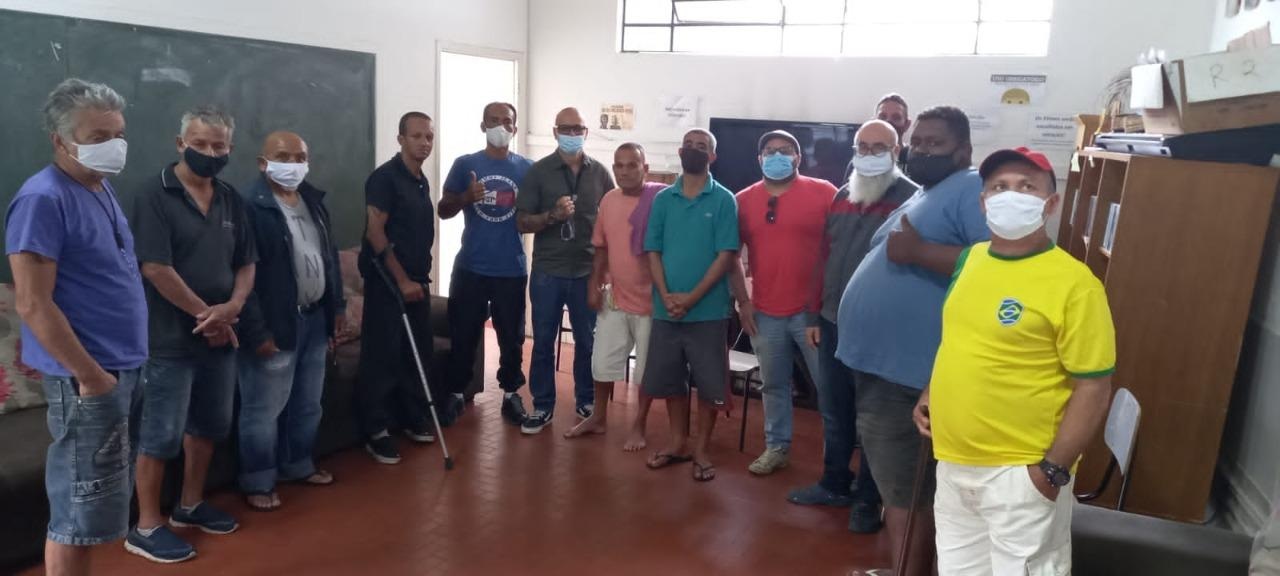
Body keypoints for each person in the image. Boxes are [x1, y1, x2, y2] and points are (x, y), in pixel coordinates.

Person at [917, 147, 1115, 575]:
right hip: (954, 465)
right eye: (999, 187)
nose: (1011, 195)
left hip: (1021, 473)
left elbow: (1095, 386)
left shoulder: (1075, 284)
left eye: (1027, 187)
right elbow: (960, 339)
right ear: (983, 201)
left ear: (1051, 203)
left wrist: (1051, 472)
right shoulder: (971, 260)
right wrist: (931, 391)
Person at [836, 106, 990, 576]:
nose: (921, 150)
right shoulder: (928, 191)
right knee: (901, 489)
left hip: (909, 375)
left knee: (905, 494)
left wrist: (920, 253)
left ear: (963, 150)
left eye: (935, 143)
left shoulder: (970, 187)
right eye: (917, 142)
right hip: (887, 369)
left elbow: (998, 264)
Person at [6, 79, 146, 576]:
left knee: (96, 508)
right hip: (85, 379)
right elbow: (32, 303)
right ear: (60, 140)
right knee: (75, 514)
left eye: (118, 134)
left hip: (121, 368)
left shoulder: (99, 185)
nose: (113, 145)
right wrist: (90, 377)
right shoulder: (42, 199)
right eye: (98, 136)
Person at [128, 106, 257, 563]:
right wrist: (210, 316)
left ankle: (190, 505)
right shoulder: (153, 194)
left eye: (219, 146)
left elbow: (246, 263)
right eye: (199, 144)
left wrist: (234, 307)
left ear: (230, 148)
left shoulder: (230, 198)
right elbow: (155, 268)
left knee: (209, 426)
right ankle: (146, 525)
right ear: (180, 143)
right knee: (159, 434)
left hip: (220, 337)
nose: (209, 152)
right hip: (169, 340)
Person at [786, 120, 918, 534]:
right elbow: (824, 258)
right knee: (835, 410)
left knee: (874, 419)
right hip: (831, 322)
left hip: (880, 331)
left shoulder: (912, 199)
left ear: (896, 152)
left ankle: (868, 499)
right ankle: (834, 483)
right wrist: (812, 315)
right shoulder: (844, 195)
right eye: (863, 146)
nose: (869, 153)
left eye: (879, 147)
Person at [236, 131, 345, 511]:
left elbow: (329, 257)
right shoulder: (249, 206)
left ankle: (298, 464)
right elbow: (242, 276)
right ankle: (259, 480)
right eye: (283, 157)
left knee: (307, 403)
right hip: (274, 323)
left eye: (300, 157)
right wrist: (256, 331)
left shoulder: (312, 200)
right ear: (262, 163)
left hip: (314, 319)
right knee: (263, 410)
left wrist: (336, 309)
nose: (293, 164)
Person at [728, 130, 834, 476]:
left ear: (798, 157)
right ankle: (777, 447)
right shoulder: (743, 200)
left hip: (813, 315)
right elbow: (731, 256)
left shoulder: (824, 193)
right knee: (774, 386)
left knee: (829, 388)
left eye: (785, 150)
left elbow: (841, 248)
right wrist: (743, 301)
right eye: (770, 151)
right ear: (759, 160)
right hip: (765, 312)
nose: (777, 156)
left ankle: (836, 459)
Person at [642, 128, 739, 482]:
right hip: (666, 309)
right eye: (689, 145)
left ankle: (701, 449)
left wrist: (693, 297)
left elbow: (726, 255)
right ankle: (677, 442)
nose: (694, 150)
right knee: (670, 382)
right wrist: (666, 294)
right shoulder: (663, 199)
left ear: (712, 156)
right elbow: (653, 250)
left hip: (708, 312)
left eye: (703, 146)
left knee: (709, 385)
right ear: (680, 152)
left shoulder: (724, 200)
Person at [515, 107, 615, 435]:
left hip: (587, 272)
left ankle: (587, 401)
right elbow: (521, 222)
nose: (572, 134)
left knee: (587, 342)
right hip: (549, 271)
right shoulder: (539, 172)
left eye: (578, 129)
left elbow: (613, 220)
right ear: (555, 131)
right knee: (543, 341)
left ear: (586, 133)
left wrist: (608, 271)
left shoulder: (600, 174)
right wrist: (552, 216)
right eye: (566, 128)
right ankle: (542, 405)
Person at [438, 103, 533, 427]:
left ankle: (511, 395)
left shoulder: (528, 169)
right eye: (494, 121)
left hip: (511, 269)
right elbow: (443, 209)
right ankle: (455, 393)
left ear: (515, 128)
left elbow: (535, 215)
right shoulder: (465, 165)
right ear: (482, 125)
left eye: (507, 121)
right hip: (471, 267)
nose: (501, 126)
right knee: (462, 333)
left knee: (512, 339)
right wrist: (466, 197)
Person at [357, 111, 439, 464]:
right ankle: (375, 431)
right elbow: (375, 232)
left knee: (416, 351)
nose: (424, 142)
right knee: (382, 356)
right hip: (388, 283)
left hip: (418, 280)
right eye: (417, 136)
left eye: (429, 137)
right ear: (401, 139)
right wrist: (402, 280)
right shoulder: (384, 179)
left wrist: (414, 280)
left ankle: (411, 417)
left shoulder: (420, 180)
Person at [564, 142, 659, 447]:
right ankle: (598, 417)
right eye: (619, 165)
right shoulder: (609, 200)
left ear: (645, 168)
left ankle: (639, 425)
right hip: (615, 296)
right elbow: (601, 247)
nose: (625, 171)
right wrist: (594, 284)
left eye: (632, 165)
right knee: (601, 361)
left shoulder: (661, 199)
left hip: (652, 303)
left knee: (645, 370)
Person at [843, 93, 914, 186]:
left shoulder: (914, 160)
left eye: (896, 118)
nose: (888, 122)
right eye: (882, 117)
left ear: (907, 124)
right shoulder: (859, 161)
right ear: (874, 121)